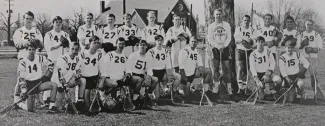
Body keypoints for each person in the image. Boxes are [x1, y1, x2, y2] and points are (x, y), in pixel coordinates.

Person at [16, 41, 59, 113]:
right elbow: (21, 78)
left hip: (39, 83)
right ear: (26, 50)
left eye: (33, 49)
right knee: (30, 109)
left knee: (54, 85)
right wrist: (23, 90)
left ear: (36, 50)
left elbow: (51, 64)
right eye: (29, 49)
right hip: (28, 85)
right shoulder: (23, 62)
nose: (31, 51)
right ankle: (19, 104)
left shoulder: (40, 58)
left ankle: (51, 107)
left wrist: (48, 74)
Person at [13, 11, 43, 109]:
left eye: (30, 19)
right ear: (23, 19)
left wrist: (37, 43)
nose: (28, 20)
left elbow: (41, 46)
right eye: (27, 18)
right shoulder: (20, 31)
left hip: (34, 59)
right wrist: (27, 43)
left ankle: (38, 100)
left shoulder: (37, 31)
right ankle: (16, 101)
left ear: (33, 20)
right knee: (21, 79)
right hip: (23, 58)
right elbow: (17, 45)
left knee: (36, 78)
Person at [43, 16, 71, 105]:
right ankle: (46, 99)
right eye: (56, 22)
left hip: (62, 61)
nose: (58, 24)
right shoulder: (49, 34)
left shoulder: (65, 34)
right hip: (52, 60)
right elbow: (49, 48)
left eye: (60, 22)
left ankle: (60, 100)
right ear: (53, 23)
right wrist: (59, 44)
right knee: (50, 80)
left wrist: (67, 44)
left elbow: (69, 47)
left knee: (61, 80)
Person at [51, 42, 87, 111]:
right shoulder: (63, 58)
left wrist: (73, 78)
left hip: (69, 81)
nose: (74, 51)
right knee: (59, 108)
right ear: (68, 49)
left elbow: (78, 72)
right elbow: (60, 76)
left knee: (83, 80)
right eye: (72, 49)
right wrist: (65, 86)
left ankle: (80, 101)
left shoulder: (78, 59)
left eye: (76, 50)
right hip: (59, 83)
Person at [147, 35, 181, 99]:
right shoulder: (151, 51)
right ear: (155, 41)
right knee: (157, 97)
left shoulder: (166, 51)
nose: (159, 42)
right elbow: (148, 65)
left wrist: (169, 75)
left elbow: (168, 64)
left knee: (178, 76)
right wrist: (150, 75)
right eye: (158, 40)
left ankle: (173, 91)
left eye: (161, 40)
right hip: (154, 73)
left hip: (162, 72)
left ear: (163, 41)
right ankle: (150, 92)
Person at [207, 8, 232, 95]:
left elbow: (229, 37)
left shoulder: (226, 25)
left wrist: (224, 46)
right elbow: (210, 39)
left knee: (227, 68)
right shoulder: (211, 26)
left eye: (220, 14)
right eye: (216, 14)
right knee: (216, 68)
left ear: (222, 15)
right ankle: (216, 86)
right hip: (215, 49)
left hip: (225, 48)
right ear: (214, 15)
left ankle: (229, 87)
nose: (218, 16)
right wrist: (218, 46)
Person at [126, 40, 158, 107]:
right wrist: (129, 75)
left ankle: (148, 95)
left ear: (146, 47)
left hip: (142, 75)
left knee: (155, 79)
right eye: (141, 45)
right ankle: (135, 99)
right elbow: (128, 67)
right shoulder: (133, 55)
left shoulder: (148, 57)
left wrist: (148, 77)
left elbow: (149, 69)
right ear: (138, 46)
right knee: (139, 79)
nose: (142, 46)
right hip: (132, 75)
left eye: (144, 45)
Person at [279, 36, 309, 103]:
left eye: (291, 48)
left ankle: (301, 93)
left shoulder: (298, 54)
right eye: (288, 48)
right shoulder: (282, 57)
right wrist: (287, 79)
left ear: (293, 48)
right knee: (291, 100)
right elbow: (282, 70)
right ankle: (291, 93)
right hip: (288, 78)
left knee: (301, 84)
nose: (290, 49)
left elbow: (307, 63)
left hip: (296, 76)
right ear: (285, 48)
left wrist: (302, 71)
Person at [98, 37, 127, 102]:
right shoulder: (110, 54)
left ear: (124, 45)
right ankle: (103, 95)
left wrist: (126, 74)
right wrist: (103, 80)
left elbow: (126, 68)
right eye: (119, 44)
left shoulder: (124, 55)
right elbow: (104, 68)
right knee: (114, 85)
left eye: (123, 44)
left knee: (116, 103)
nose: (121, 45)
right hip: (109, 79)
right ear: (116, 44)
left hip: (119, 79)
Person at [234, 15, 256, 95]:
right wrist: (245, 40)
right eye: (244, 20)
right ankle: (240, 88)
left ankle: (244, 88)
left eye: (247, 20)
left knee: (246, 70)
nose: (246, 22)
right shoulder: (238, 29)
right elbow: (237, 40)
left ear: (249, 21)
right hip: (240, 50)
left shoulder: (252, 30)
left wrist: (250, 43)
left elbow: (254, 41)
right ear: (242, 21)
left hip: (249, 51)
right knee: (240, 68)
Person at [299, 19, 323, 93]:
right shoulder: (301, 34)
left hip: (313, 58)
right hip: (303, 57)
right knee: (301, 75)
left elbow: (320, 47)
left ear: (313, 25)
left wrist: (312, 49)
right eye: (307, 24)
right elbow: (298, 46)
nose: (309, 26)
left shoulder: (316, 34)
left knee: (313, 76)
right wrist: (303, 44)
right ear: (305, 25)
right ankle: (299, 92)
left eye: (310, 24)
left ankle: (315, 93)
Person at [79, 36, 102, 110]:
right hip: (85, 77)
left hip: (95, 77)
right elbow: (78, 66)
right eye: (94, 43)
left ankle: (103, 101)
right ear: (89, 43)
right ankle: (86, 105)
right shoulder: (83, 54)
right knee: (87, 88)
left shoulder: (99, 55)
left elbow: (101, 68)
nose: (96, 44)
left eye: (97, 43)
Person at [178, 36, 205, 102]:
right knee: (187, 96)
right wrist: (183, 76)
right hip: (184, 74)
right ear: (189, 42)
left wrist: (201, 71)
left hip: (192, 72)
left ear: (197, 43)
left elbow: (200, 64)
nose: (193, 43)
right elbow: (180, 65)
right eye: (192, 41)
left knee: (208, 72)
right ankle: (179, 92)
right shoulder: (184, 51)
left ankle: (204, 90)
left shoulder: (197, 51)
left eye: (195, 42)